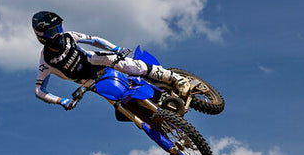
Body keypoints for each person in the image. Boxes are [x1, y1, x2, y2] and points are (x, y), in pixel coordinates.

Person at [31, 10, 187, 111]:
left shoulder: (69, 36)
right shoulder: (46, 62)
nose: (58, 34)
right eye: (52, 31)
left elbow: (94, 40)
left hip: (96, 61)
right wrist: (61, 101)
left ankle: (175, 78)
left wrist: (116, 49)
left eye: (59, 28)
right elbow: (39, 90)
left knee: (128, 65)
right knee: (123, 104)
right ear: (42, 37)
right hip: (88, 82)